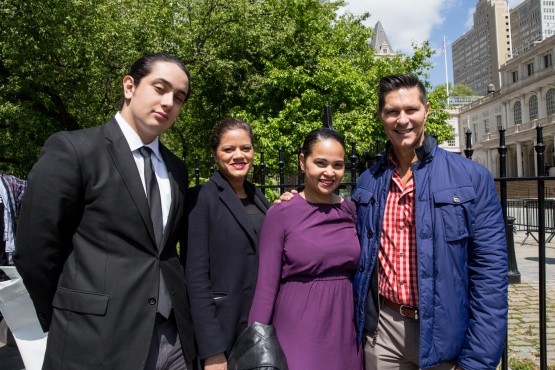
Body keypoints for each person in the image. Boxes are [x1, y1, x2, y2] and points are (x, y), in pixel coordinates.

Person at [14, 53, 195, 370]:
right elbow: (34, 251)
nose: (168, 102)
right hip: (95, 342)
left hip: (173, 341)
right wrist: (69, 313)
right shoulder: (74, 150)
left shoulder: (177, 169)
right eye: (160, 88)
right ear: (129, 86)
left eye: (178, 97)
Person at [352, 74, 508, 369]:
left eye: (411, 109)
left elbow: (490, 276)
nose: (402, 120)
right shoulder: (368, 182)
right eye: (392, 111)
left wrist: (478, 359)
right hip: (382, 332)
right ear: (380, 116)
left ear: (427, 109)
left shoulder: (471, 177)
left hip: (445, 334)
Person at [248, 127, 363, 370]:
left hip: (344, 329)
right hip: (297, 329)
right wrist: (255, 349)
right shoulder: (281, 213)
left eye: (338, 165)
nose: (329, 172)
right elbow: (265, 289)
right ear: (303, 161)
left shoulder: (352, 211)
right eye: (320, 162)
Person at [185, 117, 270, 370]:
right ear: (214, 153)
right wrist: (212, 350)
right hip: (223, 330)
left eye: (245, 148)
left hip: (258, 327)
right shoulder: (201, 199)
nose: (239, 155)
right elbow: (196, 277)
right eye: (229, 149)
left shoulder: (258, 198)